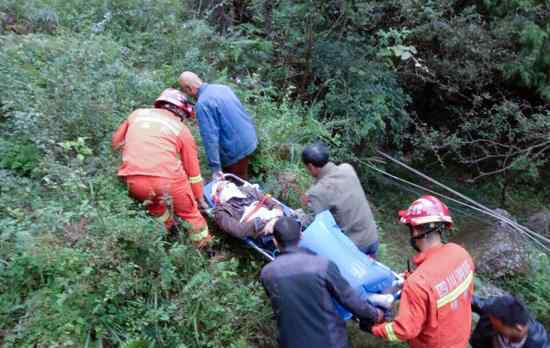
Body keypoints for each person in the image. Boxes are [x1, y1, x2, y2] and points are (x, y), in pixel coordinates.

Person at [260, 216, 384, 348]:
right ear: (301, 235)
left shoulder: (267, 274)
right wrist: (374, 314)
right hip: (331, 342)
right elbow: (349, 299)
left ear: (275, 241)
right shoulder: (322, 265)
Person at [111, 88, 212, 248]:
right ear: (181, 112)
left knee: (156, 207)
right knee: (191, 215)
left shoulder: (137, 114)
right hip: (168, 181)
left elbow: (116, 143)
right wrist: (198, 198)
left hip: (133, 180)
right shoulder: (181, 130)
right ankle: (206, 250)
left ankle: (167, 237)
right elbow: (193, 173)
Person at [370, 195, 475, 348]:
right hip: (459, 341)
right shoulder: (461, 254)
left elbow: (404, 330)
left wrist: (374, 329)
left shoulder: (418, 284)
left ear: (416, 230)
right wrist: (411, 279)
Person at [301, 143, 379, 257]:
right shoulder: (347, 168)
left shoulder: (317, 192)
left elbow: (319, 225)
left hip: (354, 247)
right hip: (372, 238)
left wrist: (302, 217)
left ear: (311, 166)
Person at [178, 71, 257, 179]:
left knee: (235, 187)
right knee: (242, 175)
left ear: (188, 88)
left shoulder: (202, 104)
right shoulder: (223, 88)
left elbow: (210, 139)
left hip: (235, 150)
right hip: (250, 139)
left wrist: (216, 169)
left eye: (184, 90)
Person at [211, 180, 283, 238]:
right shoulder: (221, 212)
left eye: (227, 183)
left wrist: (276, 214)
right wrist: (265, 220)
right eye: (220, 188)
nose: (226, 186)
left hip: (275, 217)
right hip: (261, 229)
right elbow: (238, 231)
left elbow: (274, 204)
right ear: (217, 197)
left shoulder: (249, 190)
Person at [470, 294, 550, 348]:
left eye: (497, 327)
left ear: (518, 329)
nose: (492, 326)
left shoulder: (539, 344)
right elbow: (476, 303)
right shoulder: (495, 310)